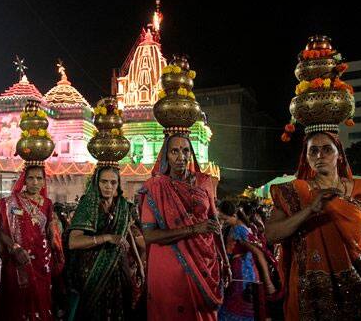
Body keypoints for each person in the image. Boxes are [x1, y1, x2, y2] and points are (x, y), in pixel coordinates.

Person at [266, 131, 361, 320]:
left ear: (340, 155)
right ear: (307, 158)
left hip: (355, 279)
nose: (320, 156)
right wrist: (310, 209)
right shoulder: (295, 191)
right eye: (313, 151)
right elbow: (271, 235)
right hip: (310, 287)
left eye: (327, 149)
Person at [140, 134, 228, 321]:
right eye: (174, 151)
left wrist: (225, 259)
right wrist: (194, 229)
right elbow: (149, 235)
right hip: (169, 265)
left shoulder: (205, 181)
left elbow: (214, 223)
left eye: (185, 150)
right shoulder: (155, 187)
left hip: (205, 261)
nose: (181, 156)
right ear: (166, 156)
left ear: (191, 153)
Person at [67, 166, 146, 320]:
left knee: (122, 309)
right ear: (97, 182)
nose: (108, 186)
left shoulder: (123, 206)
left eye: (113, 182)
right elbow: (73, 242)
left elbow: (127, 232)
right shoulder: (88, 205)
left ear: (118, 184)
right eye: (104, 182)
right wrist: (107, 237)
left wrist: (140, 264)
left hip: (120, 269)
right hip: (93, 270)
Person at [0, 165, 64, 321]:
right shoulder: (11, 203)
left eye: (39, 178)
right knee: (18, 297)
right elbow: (2, 231)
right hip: (18, 257)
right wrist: (15, 249)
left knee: (41, 295)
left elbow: (49, 232)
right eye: (31, 178)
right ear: (24, 180)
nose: (35, 182)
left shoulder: (47, 203)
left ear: (43, 182)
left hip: (42, 259)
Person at [218, 200, 277, 320]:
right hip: (243, 271)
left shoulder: (239, 230)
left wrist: (268, 282)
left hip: (243, 274)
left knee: (239, 305)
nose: (223, 223)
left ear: (233, 215)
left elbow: (258, 253)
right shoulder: (242, 227)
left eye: (225, 219)